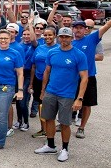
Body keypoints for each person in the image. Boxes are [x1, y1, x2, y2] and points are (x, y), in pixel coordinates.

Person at [34, 27, 88, 162]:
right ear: (58, 37)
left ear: (71, 38)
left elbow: (84, 77)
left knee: (64, 123)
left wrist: (79, 98)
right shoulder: (52, 52)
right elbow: (47, 72)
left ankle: (65, 149)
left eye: (67, 37)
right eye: (62, 37)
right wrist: (43, 90)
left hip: (67, 94)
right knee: (48, 118)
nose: (64, 39)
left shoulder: (79, 55)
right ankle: (51, 145)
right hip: (51, 91)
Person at [71, 19, 111, 138]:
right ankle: (65, 123)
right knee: (67, 102)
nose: (78, 30)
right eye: (76, 27)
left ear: (85, 29)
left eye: (81, 28)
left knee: (86, 104)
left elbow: (107, 25)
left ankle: (81, 127)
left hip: (88, 77)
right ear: (72, 29)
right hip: (72, 78)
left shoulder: (91, 39)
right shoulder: (69, 41)